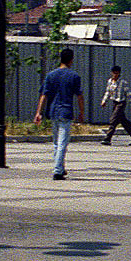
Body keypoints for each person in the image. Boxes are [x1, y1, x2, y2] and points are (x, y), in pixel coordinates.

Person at [34, 48, 85, 180]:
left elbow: (44, 94)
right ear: (71, 60)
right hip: (66, 111)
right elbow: (79, 96)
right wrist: (81, 112)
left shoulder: (51, 75)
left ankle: (61, 168)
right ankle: (57, 170)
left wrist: (38, 112)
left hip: (53, 111)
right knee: (63, 142)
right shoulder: (74, 76)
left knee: (57, 143)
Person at [100, 65, 131, 146]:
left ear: (119, 73)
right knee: (123, 121)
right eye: (114, 73)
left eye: (117, 73)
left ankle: (107, 138)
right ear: (111, 73)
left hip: (121, 103)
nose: (115, 75)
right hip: (114, 103)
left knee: (113, 120)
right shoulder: (110, 81)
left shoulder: (123, 82)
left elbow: (129, 94)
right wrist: (104, 101)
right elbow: (108, 92)